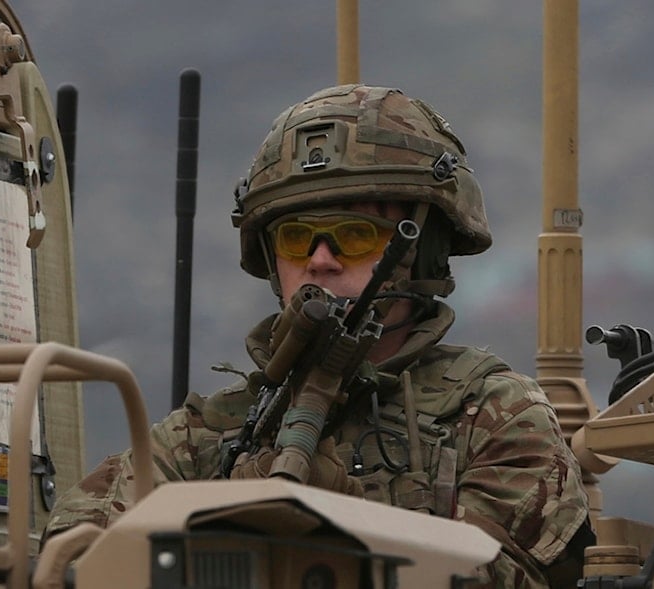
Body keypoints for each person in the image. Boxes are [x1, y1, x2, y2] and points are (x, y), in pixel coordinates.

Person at [45, 84, 593, 587]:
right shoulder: (202, 436)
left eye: (354, 236)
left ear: (422, 252)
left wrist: (342, 528)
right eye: (296, 238)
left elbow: (501, 577)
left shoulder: (495, 415)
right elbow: (73, 560)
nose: (320, 260)